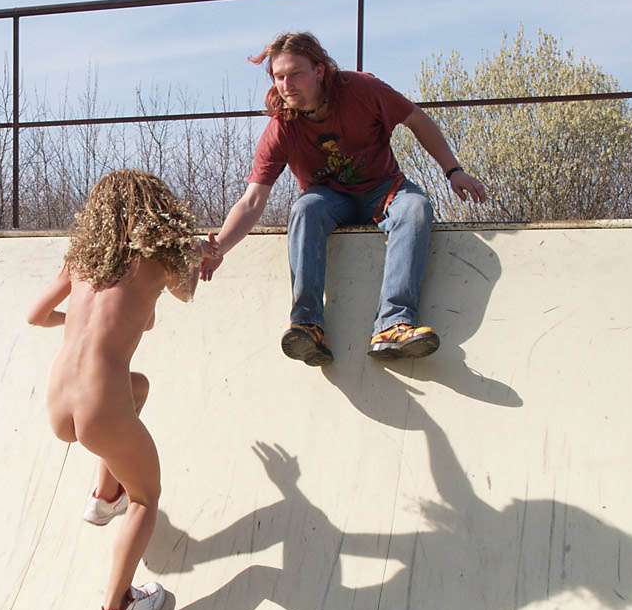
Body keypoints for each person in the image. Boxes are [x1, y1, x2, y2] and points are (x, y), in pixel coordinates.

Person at [201, 32, 487, 365]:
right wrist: (218, 248)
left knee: (415, 207)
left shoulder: (361, 90)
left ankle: (393, 324)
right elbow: (252, 200)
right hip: (329, 200)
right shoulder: (282, 127)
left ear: (319, 70)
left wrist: (453, 171)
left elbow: (416, 119)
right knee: (305, 208)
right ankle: (307, 326)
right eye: (279, 77)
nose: (286, 85)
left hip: (383, 189)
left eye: (295, 74)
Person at [27, 170, 205, 610]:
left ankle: (105, 498)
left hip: (60, 398)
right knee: (146, 497)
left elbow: (35, 315)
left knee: (137, 387)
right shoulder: (157, 260)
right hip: (100, 403)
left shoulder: (82, 261)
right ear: (155, 211)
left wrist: (77, 324)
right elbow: (188, 289)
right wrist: (191, 250)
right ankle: (117, 606)